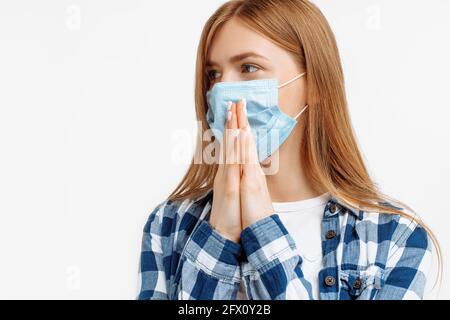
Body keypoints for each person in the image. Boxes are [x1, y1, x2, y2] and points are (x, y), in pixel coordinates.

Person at [137, 0, 440, 300]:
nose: (221, 90)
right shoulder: (168, 224)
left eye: (248, 67)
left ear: (315, 84)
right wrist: (219, 232)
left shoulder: (396, 237)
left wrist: (261, 227)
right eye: (213, 74)